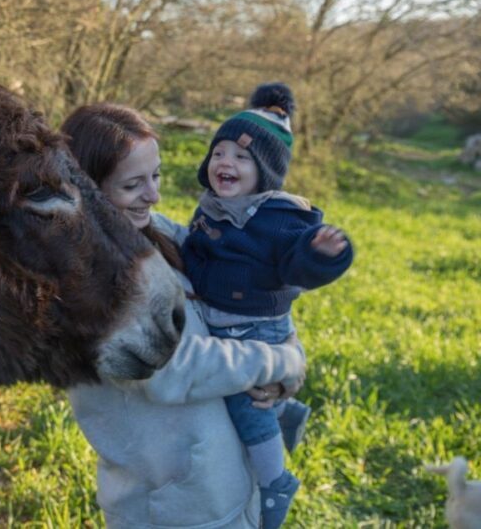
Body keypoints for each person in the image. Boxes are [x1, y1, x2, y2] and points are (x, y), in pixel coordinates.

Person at [61, 103, 307, 528]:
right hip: (172, 510)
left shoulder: (158, 233)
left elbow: (248, 291)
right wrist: (281, 362)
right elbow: (178, 369)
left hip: (228, 488)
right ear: (88, 189)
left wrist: (285, 348)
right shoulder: (88, 285)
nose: (153, 195)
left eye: (154, 176)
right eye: (133, 185)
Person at [180, 83, 353, 528]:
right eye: (219, 153)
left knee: (244, 404)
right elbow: (194, 252)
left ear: (266, 172)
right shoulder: (212, 208)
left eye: (241, 158)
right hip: (222, 319)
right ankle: (289, 415)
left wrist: (322, 252)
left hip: (257, 328)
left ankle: (275, 481)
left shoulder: (280, 218)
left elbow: (298, 265)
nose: (226, 164)